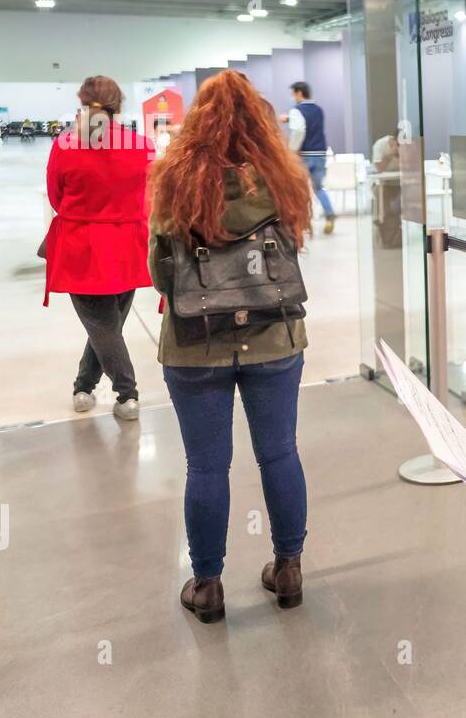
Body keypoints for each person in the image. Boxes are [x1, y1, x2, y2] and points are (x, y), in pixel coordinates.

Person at [148, 70, 314, 624]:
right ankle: (287, 569)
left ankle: (209, 585)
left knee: (206, 465)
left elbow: (159, 274)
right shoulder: (280, 179)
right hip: (274, 337)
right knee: (279, 452)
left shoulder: (175, 180)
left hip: (197, 346)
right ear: (259, 122)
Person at [43, 75, 153, 421]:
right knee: (107, 326)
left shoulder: (65, 145)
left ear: (82, 102)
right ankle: (84, 387)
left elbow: (56, 197)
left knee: (103, 327)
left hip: (82, 248)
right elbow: (151, 193)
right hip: (129, 247)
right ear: (118, 105)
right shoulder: (142, 144)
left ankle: (127, 394)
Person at [279, 81, 337, 235]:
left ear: (299, 93)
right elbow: (309, 123)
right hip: (320, 154)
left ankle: (303, 223)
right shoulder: (318, 110)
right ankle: (329, 213)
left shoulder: (296, 110)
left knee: (300, 189)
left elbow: (299, 130)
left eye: (293, 94)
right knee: (318, 188)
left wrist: (291, 152)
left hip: (304, 156)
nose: (292, 98)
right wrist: (290, 118)